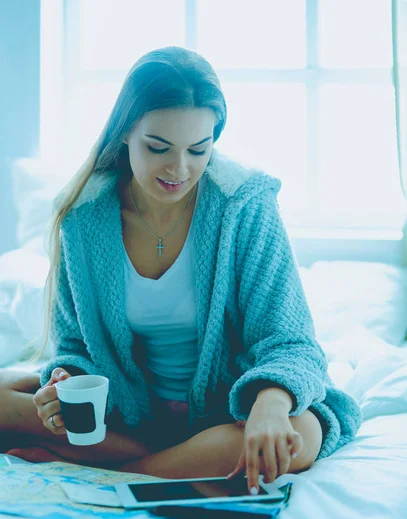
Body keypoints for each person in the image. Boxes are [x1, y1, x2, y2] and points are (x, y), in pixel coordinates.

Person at [0, 46, 361, 495]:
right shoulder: (82, 218)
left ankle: (116, 473)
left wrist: (269, 404)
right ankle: (164, 465)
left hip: (227, 414)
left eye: (198, 149)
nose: (179, 168)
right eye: (158, 147)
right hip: (132, 413)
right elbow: (76, 346)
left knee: (295, 435)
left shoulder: (243, 206)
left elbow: (289, 342)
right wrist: (65, 384)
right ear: (126, 132)